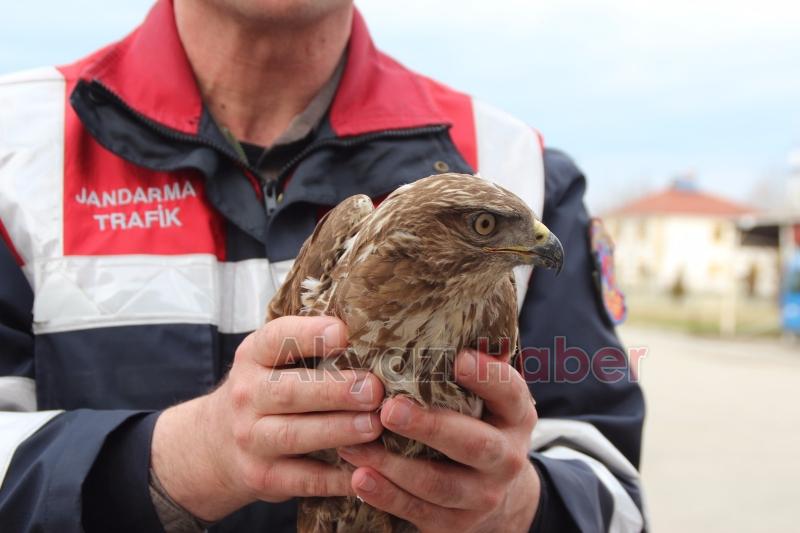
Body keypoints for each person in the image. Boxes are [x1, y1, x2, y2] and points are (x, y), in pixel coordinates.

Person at [0, 0, 645, 531]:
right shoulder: (13, 150)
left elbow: (615, 497)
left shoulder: (518, 170)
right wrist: (178, 461)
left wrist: (515, 506)